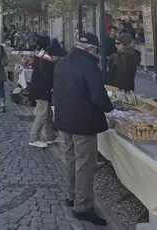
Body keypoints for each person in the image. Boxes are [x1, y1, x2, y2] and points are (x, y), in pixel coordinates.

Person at [53, 32, 112, 226]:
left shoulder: (62, 62)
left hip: (64, 119)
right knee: (85, 164)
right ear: (91, 48)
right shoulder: (89, 66)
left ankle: (72, 196)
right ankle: (83, 206)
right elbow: (98, 96)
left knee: (70, 159)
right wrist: (110, 107)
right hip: (83, 121)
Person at [29, 37, 58, 148]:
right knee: (42, 114)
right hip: (43, 91)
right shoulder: (45, 59)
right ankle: (34, 137)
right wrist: (50, 88)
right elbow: (47, 77)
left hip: (41, 90)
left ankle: (49, 136)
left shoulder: (39, 56)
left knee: (48, 114)